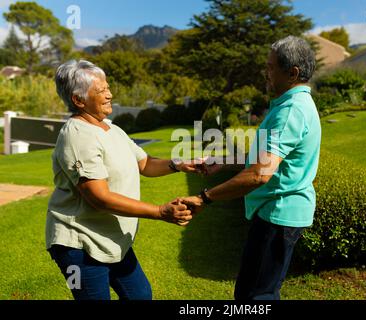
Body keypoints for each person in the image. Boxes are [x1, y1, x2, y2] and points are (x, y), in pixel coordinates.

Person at [46, 60, 205, 300]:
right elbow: (99, 197)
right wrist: (160, 211)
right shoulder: (76, 136)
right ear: (78, 100)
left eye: (108, 87)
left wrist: (178, 164)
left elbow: (144, 163)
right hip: (78, 245)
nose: (110, 94)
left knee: (140, 295)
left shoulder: (110, 128)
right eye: (101, 91)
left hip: (112, 239)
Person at [182, 36, 321, 300]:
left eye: (271, 67)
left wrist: (204, 198)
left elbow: (260, 174)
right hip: (276, 213)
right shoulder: (292, 106)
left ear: (292, 73)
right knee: (260, 291)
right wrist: (222, 162)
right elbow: (266, 159)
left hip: (278, 215)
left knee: (254, 296)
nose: (266, 73)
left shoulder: (290, 111)